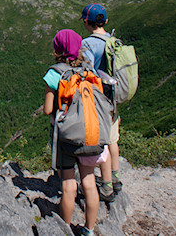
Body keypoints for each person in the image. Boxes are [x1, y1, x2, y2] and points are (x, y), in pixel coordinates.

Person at [43, 29, 102, 236]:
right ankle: (89, 229)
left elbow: (48, 109)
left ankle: (65, 229)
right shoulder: (90, 71)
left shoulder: (55, 73)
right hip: (92, 135)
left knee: (68, 184)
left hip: (66, 138)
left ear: (57, 49)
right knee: (89, 181)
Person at [80, 3, 121, 202]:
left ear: (87, 22)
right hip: (114, 98)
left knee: (102, 141)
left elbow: (86, 72)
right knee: (113, 139)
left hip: (97, 100)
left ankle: (106, 187)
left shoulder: (87, 44)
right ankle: (115, 178)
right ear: (105, 21)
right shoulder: (113, 41)